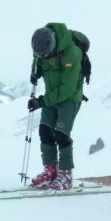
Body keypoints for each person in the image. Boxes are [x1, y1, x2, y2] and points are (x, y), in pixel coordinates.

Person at [27, 22, 85, 191]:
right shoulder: (42, 50)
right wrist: (34, 71)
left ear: (52, 45)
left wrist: (42, 102)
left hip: (70, 98)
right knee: (45, 131)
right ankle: (51, 172)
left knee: (61, 134)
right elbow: (37, 59)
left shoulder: (72, 54)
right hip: (51, 96)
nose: (43, 57)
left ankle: (65, 175)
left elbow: (67, 89)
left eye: (46, 55)